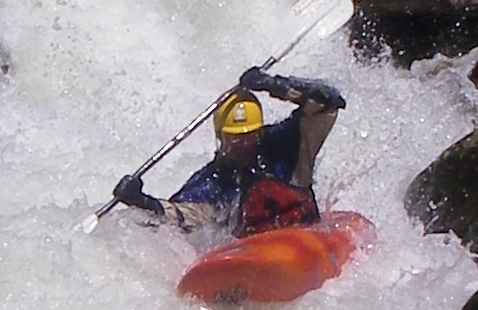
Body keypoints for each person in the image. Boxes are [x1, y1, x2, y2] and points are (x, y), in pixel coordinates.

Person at [114, 67, 347, 234]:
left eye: (250, 136)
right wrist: (142, 202)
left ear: (260, 131)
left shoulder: (286, 144)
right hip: (257, 249)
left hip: (306, 234)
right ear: (221, 138)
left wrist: (277, 86)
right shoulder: (213, 181)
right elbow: (180, 217)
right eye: (235, 139)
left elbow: (330, 104)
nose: (243, 144)